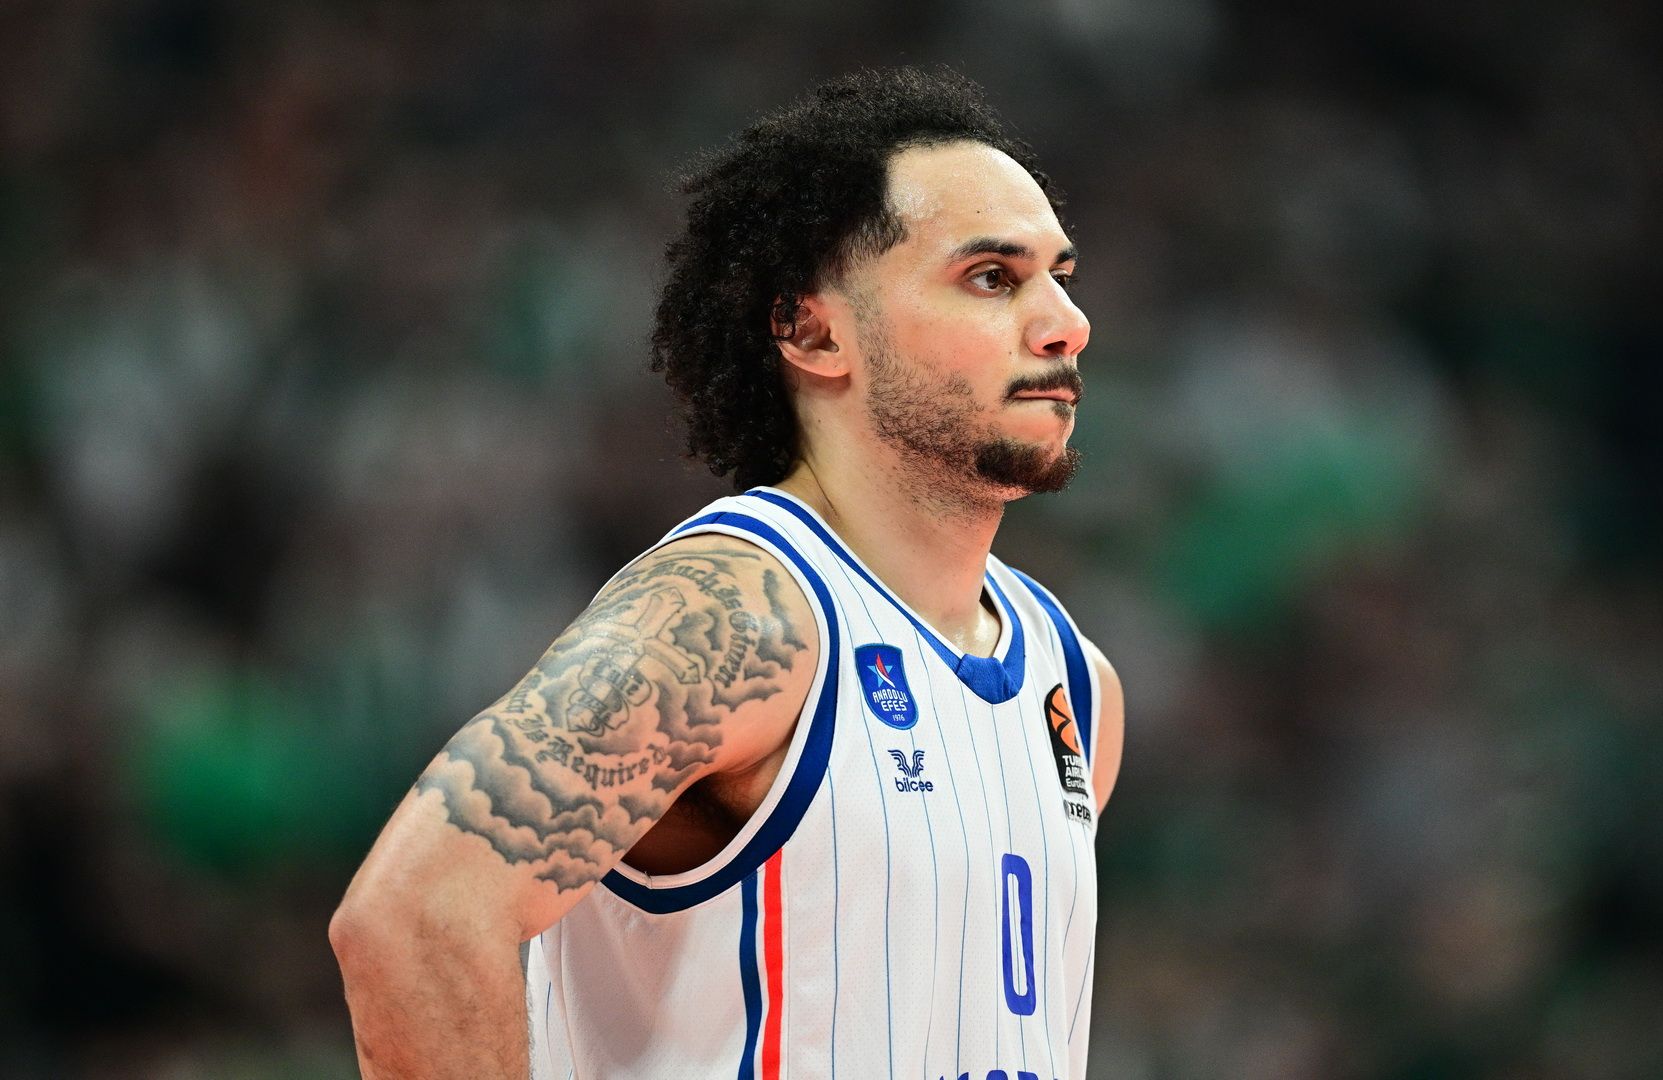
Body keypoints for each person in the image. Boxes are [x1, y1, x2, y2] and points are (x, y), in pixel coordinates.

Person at [329, 66, 1124, 1080]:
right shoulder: (736, 618)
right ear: (813, 331)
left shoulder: (1077, 688)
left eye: (1060, 274)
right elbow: (416, 917)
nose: (1065, 321)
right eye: (991, 278)